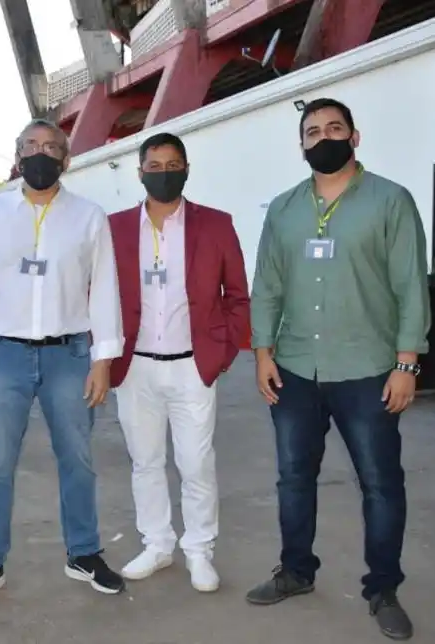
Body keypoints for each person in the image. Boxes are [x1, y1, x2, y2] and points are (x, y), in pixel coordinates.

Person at [248, 97, 430, 641]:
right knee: (293, 479)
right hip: (296, 369)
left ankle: (382, 587)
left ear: (355, 137)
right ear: (301, 144)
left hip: (367, 369)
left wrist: (407, 364)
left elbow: (410, 287)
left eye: (334, 128)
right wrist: (262, 353)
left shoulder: (390, 201)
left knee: (379, 483)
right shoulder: (283, 209)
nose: (322, 137)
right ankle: (297, 571)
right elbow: (269, 285)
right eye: (311, 131)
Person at [0, 118, 125, 608]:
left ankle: (84, 553)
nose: (41, 154)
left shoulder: (89, 217)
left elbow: (105, 287)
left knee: (78, 460)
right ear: (17, 154)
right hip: (1, 354)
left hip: (69, 354)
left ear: (66, 160)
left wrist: (102, 359)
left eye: (52, 147)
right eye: (32, 145)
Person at [108, 132, 250, 592]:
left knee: (195, 463)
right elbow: (97, 296)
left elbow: (238, 296)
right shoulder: (114, 229)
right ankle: (157, 543)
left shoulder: (215, 224)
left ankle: (199, 550)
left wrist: (222, 353)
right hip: (135, 367)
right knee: (145, 462)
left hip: (193, 365)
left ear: (186, 169)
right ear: (140, 172)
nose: (164, 173)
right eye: (155, 165)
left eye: (173, 165)